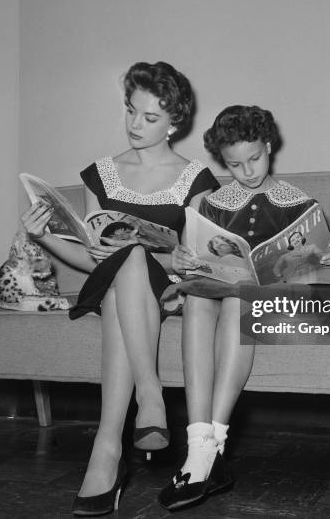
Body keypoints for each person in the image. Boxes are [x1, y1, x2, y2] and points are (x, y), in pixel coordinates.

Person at [20, 61, 219, 516]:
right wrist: (43, 235)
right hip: (113, 283)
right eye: (130, 111)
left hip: (167, 288)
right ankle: (149, 396)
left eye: (150, 118)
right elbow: (91, 257)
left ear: (175, 123)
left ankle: (106, 453)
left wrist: (176, 256)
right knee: (122, 259)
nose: (134, 124)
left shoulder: (196, 180)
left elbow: (192, 260)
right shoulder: (101, 173)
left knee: (130, 257)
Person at [158, 105, 330, 511]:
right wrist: (183, 261)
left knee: (238, 301)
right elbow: (192, 262)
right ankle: (203, 447)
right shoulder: (211, 203)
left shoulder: (298, 203)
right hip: (219, 294)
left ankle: (204, 454)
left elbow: (318, 269)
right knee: (198, 297)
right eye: (234, 164)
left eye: (254, 159)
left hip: (273, 301)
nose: (246, 171)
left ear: (268, 146)